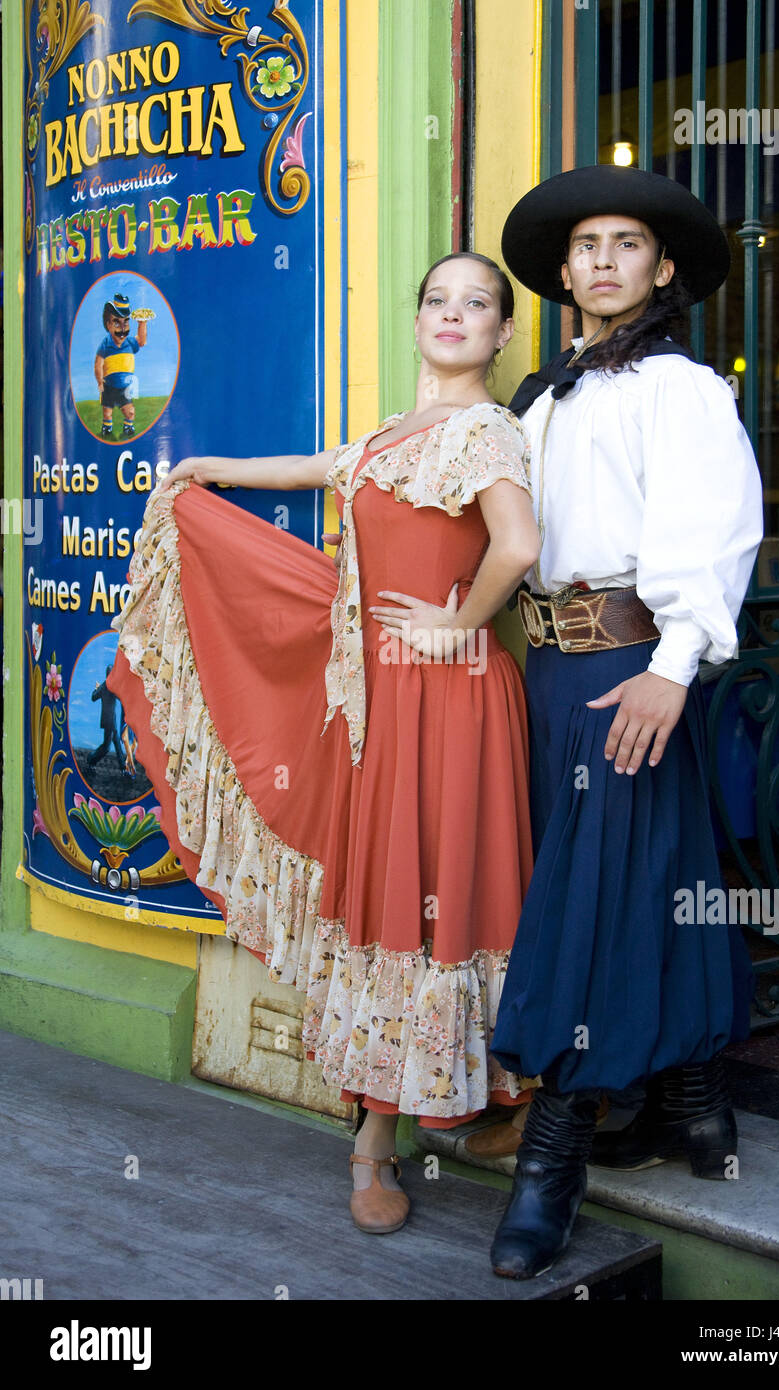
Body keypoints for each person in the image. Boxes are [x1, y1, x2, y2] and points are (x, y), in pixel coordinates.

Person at [107, 252, 540, 1236]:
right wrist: (206, 471)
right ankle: (376, 1139)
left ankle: (464, 1111)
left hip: (453, 698)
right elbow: (314, 468)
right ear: (418, 317)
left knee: (445, 887)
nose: (452, 315)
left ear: (502, 333)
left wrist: (458, 623)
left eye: (476, 305)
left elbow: (515, 545)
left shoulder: (485, 431)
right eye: (436, 298)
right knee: (389, 889)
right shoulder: (397, 435)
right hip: (381, 701)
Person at [487, 165, 764, 1279]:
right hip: (549, 674)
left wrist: (675, 662)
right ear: (562, 273)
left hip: (633, 666)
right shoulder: (541, 401)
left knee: (589, 905)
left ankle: (550, 1164)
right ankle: (694, 1106)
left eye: (624, 244)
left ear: (657, 269)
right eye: (584, 245)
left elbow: (715, 527)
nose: (601, 259)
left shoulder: (679, 388)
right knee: (652, 876)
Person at [95, 292, 147, 440]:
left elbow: (142, 341)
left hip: (125, 387)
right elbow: (98, 363)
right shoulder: (106, 344)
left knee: (130, 411)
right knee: (107, 411)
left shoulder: (130, 343)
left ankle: (128, 427)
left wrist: (142, 323)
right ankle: (107, 428)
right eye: (117, 323)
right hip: (108, 386)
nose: (122, 328)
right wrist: (99, 382)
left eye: (126, 322)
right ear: (108, 325)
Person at [89, 666, 126, 771]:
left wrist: (97, 688)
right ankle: (91, 759)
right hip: (111, 720)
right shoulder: (112, 686)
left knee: (111, 744)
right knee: (110, 746)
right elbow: (121, 697)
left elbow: (93, 697)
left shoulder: (104, 686)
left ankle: (123, 767)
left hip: (106, 720)